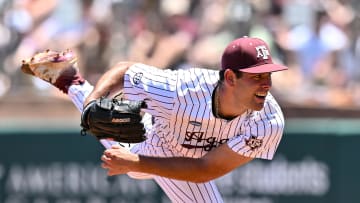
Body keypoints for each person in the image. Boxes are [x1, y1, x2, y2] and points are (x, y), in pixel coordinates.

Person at [22, 37, 288, 202]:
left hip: (191, 161)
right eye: (256, 77)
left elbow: (207, 169)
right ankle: (72, 82)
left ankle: (69, 79)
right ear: (230, 78)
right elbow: (126, 72)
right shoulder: (182, 89)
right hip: (160, 142)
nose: (266, 84)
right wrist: (94, 102)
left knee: (129, 158)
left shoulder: (268, 120)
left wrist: (137, 162)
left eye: (268, 76)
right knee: (104, 122)